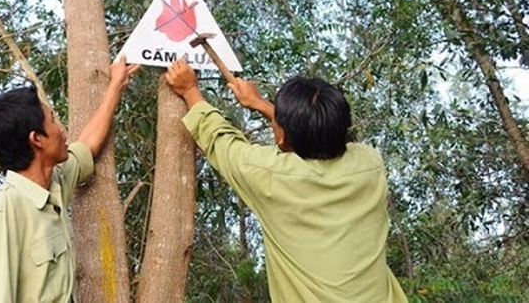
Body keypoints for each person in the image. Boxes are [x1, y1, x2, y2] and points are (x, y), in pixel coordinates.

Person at [165, 58, 407, 303]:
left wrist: (190, 90)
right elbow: (317, 135)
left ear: (282, 137)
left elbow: (220, 140)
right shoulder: (369, 165)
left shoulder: (270, 176)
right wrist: (262, 105)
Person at [0, 57, 139, 303]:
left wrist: (115, 87)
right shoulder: (2, 215)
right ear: (37, 139)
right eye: (53, 120)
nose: (61, 130)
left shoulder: (53, 185)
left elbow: (87, 146)